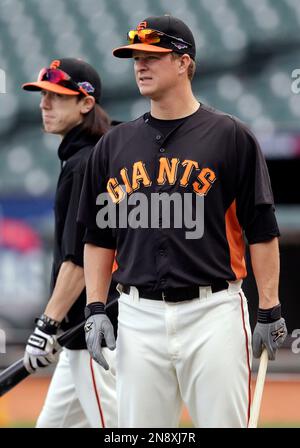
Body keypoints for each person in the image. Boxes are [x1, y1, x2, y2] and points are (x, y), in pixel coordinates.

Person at [78, 16, 287, 428]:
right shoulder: (112, 146)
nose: (140, 64)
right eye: (136, 56)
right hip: (137, 316)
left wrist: (269, 306)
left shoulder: (231, 136)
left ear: (183, 62)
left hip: (213, 314)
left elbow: (262, 230)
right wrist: (95, 307)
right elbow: (98, 236)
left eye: (152, 56)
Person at [22, 58, 118, 428]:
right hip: (83, 333)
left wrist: (46, 325)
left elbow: (78, 260)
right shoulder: (91, 155)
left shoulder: (84, 163)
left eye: (57, 96)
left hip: (92, 331)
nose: (45, 104)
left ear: (85, 103)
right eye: (43, 95)